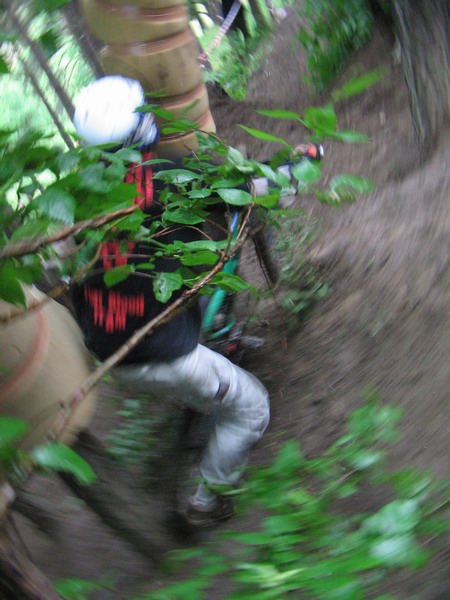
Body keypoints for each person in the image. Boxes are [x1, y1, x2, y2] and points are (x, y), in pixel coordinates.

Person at [71, 75, 320, 528]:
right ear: (139, 128)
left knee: (187, 299)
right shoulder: (167, 176)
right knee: (252, 409)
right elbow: (252, 188)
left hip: (107, 345)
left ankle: (210, 364)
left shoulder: (81, 195)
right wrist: (295, 169)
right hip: (157, 351)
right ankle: (208, 503)